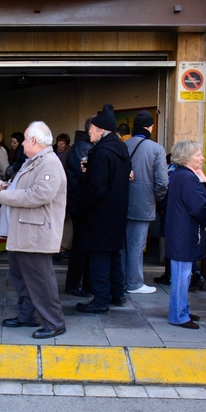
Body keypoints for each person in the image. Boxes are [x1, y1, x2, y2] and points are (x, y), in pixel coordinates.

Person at [0, 121, 67, 339]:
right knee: (22, 277)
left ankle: (54, 322)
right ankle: (28, 315)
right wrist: (7, 187)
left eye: (25, 139)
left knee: (40, 279)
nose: (22, 143)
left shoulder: (49, 162)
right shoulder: (35, 161)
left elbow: (40, 194)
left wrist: (6, 196)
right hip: (24, 229)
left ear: (33, 140)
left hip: (35, 232)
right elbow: (27, 188)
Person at [75, 103, 131, 313]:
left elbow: (96, 188)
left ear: (101, 131)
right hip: (117, 212)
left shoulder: (101, 152)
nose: (89, 132)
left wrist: (83, 206)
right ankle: (117, 294)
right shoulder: (121, 149)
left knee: (99, 258)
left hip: (100, 215)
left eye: (91, 129)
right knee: (114, 254)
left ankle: (100, 301)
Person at [165, 141, 206, 329]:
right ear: (186, 158)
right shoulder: (187, 177)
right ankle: (179, 315)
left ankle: (182, 310)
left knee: (183, 276)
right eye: (198, 155)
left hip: (182, 233)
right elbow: (197, 206)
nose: (202, 158)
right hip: (183, 234)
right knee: (181, 276)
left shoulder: (183, 175)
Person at [123, 110, 168, 295]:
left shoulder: (123, 145)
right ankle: (134, 283)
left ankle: (121, 280)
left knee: (122, 245)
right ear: (151, 127)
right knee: (137, 245)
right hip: (143, 203)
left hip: (122, 202)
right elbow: (162, 182)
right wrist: (155, 198)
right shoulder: (156, 149)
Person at [64, 116, 95, 298]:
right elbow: (84, 176)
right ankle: (74, 284)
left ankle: (82, 283)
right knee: (81, 246)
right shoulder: (82, 148)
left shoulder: (81, 146)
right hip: (80, 203)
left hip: (78, 202)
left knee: (82, 245)